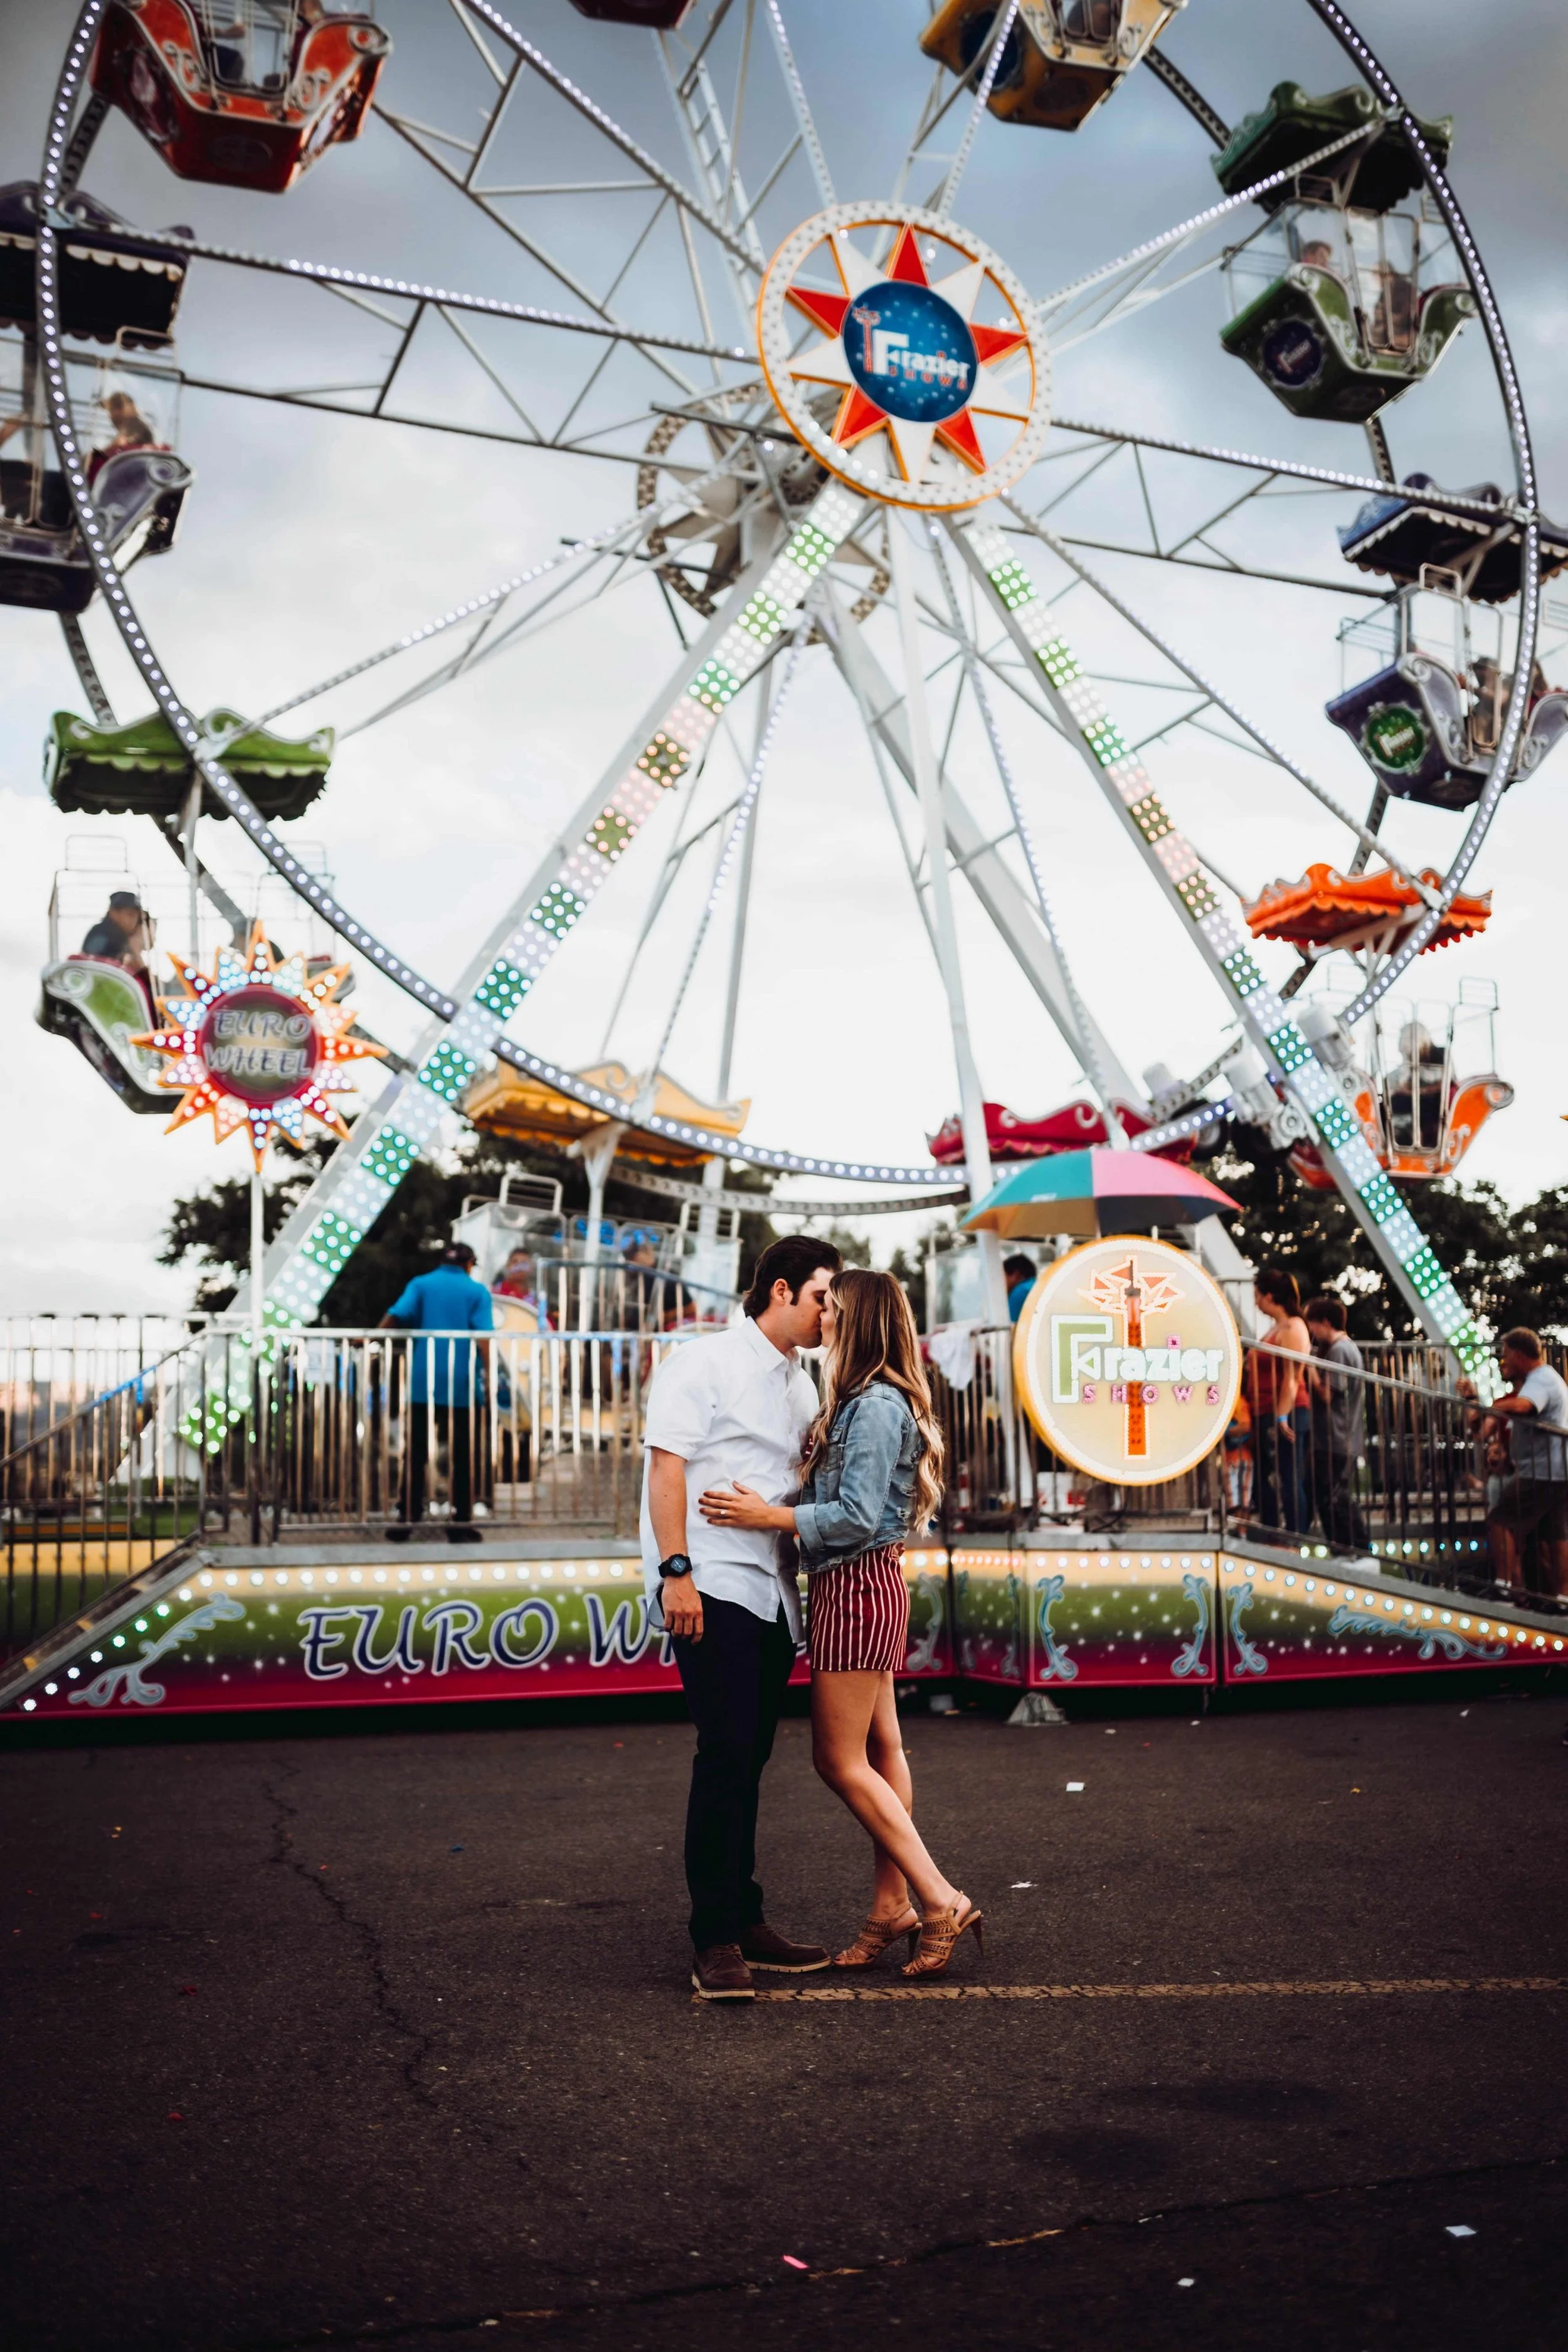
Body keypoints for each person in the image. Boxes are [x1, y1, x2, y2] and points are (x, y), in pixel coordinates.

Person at [699, 1267, 982, 1983]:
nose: (822, 1313)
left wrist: (767, 1516)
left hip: (856, 1587)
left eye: (833, 1305)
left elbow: (855, 1516)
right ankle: (891, 1910)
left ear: (859, 1320)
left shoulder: (876, 1405)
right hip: (855, 1585)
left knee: (839, 1760)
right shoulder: (858, 1399)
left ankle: (940, 1899)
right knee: (882, 1750)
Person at [642, 1235, 842, 2001]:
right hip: (712, 1578)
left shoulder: (801, 1385)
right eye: (822, 1296)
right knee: (725, 1752)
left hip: (773, 1588)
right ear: (781, 1290)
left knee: (751, 1756)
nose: (831, 1312)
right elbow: (666, 1466)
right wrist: (676, 1573)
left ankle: (745, 1916)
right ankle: (714, 1939)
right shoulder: (703, 1363)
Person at [379, 1241, 494, 1544]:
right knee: (463, 1456)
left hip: (423, 1383)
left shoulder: (421, 1284)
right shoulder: (477, 1292)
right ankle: (461, 1522)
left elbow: (395, 1315)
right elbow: (484, 1339)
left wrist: (371, 1339)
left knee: (415, 1454)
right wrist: (490, 1378)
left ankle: (407, 1517)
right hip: (462, 1385)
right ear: (469, 1264)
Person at [1477, 1330, 1568, 1595]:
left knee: (1501, 1520)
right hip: (1556, 1469)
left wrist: (1494, 1407)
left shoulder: (1540, 1380)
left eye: (1506, 1355)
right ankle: (1562, 1597)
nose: (1503, 1361)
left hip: (1542, 1471)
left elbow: (1524, 1407)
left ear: (1518, 1354)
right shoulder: (1546, 1377)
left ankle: (1503, 1586)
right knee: (1555, 1535)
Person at [1246, 1265, 1311, 1537]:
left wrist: (1282, 1417)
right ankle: (1272, 1533)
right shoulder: (1277, 1328)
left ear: (1270, 1297)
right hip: (1265, 1410)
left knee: (1288, 1476)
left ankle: (1295, 1537)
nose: (1256, 1303)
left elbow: (1292, 1377)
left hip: (1287, 1411)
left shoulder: (1293, 1327)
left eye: (1257, 1296)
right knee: (1268, 1478)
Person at [1303, 1295, 1370, 1552]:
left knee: (1334, 1496)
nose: (1311, 1331)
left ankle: (1353, 1546)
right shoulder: (1346, 1348)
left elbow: (1327, 1394)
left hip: (1336, 1437)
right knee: (1333, 1494)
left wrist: (1309, 1366)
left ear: (1325, 1322)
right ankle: (1350, 1547)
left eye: (1313, 1324)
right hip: (1342, 1437)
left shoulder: (1339, 1351)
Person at [80, 890, 151, 972]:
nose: (134, 921)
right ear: (113, 912)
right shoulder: (107, 933)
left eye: (137, 916)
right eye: (130, 914)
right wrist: (134, 950)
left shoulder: (120, 936)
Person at [1004, 1253, 1037, 1325]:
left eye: (1003, 1276)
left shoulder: (1020, 1292)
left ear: (1016, 1275)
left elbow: (1009, 1328)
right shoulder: (1038, 1285)